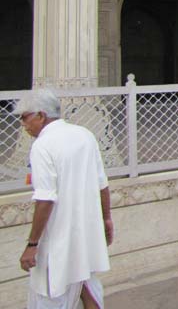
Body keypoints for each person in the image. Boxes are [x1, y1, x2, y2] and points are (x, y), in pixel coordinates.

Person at [14, 89, 112, 309]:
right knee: (86, 287)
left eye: (25, 117)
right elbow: (102, 184)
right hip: (85, 233)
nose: (24, 124)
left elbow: (46, 199)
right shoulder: (84, 134)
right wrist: (106, 219)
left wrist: (32, 244)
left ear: (40, 115)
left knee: (53, 291)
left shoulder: (42, 145)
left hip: (58, 238)